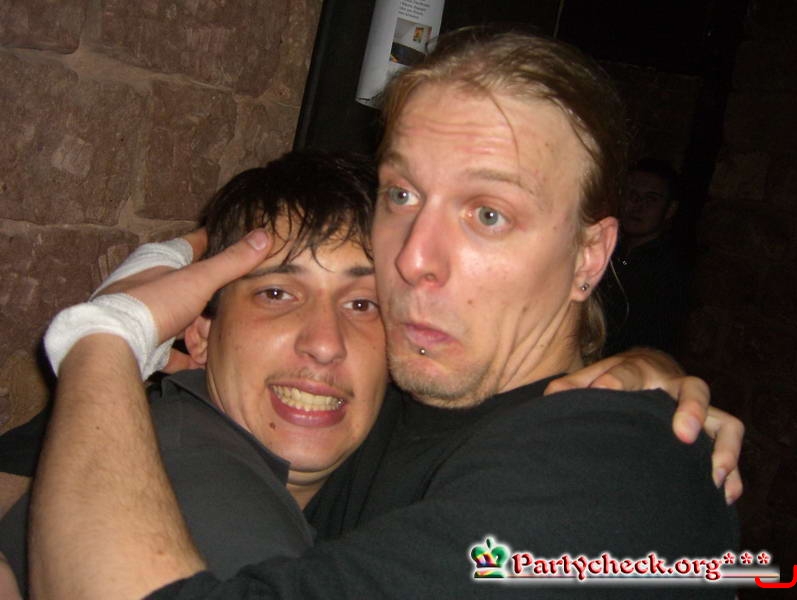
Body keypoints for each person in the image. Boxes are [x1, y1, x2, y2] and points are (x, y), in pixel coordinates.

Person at [29, 28, 742, 599]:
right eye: (401, 195)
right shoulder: (386, 396)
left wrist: (105, 334)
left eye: (488, 214)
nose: (411, 257)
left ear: (589, 256)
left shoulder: (616, 473)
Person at [0, 150, 387, 594]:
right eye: (276, 294)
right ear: (201, 334)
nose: (325, 343)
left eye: (363, 303)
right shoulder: (226, 514)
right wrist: (107, 331)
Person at [601, 158, 689, 355]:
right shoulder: (607, 250)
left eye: (651, 199)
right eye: (632, 195)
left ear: (670, 209)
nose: (638, 206)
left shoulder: (667, 272)